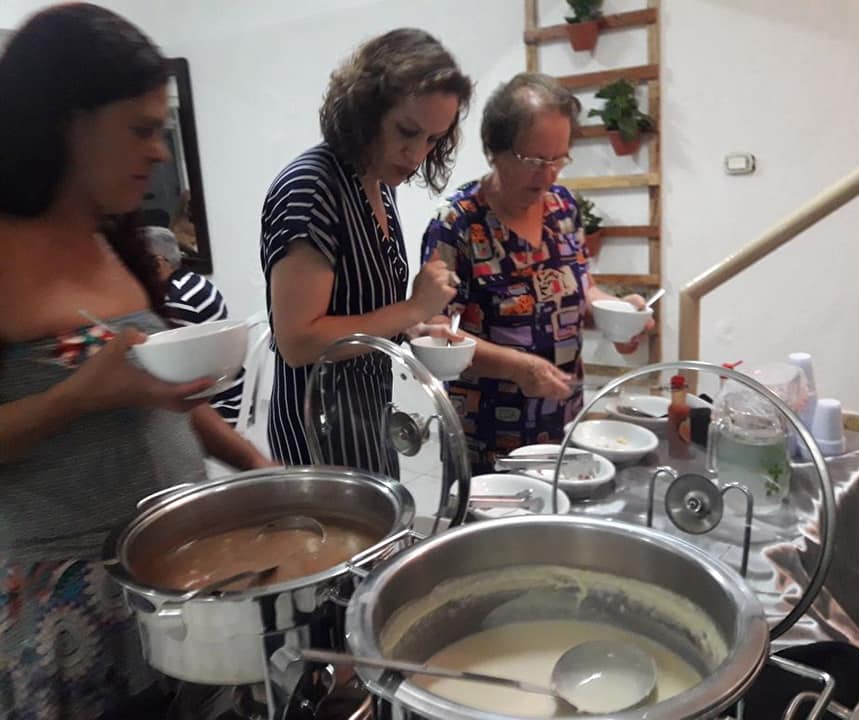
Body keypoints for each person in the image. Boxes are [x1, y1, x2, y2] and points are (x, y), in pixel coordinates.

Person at [0, 6, 270, 718]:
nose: (158, 152)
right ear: (68, 121)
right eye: (141, 129)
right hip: (72, 601)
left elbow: (157, 393)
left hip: (181, 570)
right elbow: (104, 390)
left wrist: (257, 469)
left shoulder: (114, 241)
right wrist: (77, 396)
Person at [260, 28, 471, 473]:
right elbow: (298, 341)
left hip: (366, 416)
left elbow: (361, 310)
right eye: (407, 132)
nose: (416, 154)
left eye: (433, 139)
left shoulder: (375, 181)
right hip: (317, 429)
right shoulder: (311, 189)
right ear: (365, 110)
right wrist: (413, 308)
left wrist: (416, 326)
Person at [421, 72, 654, 473]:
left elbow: (579, 289)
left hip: (563, 421)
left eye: (558, 159)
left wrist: (618, 313)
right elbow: (435, 334)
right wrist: (517, 367)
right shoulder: (457, 224)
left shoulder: (563, 207)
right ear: (493, 149)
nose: (548, 174)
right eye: (533, 161)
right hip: (486, 435)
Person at [145, 226, 244, 426]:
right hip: (234, 391)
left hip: (216, 406)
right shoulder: (195, 281)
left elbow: (170, 374)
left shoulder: (175, 301)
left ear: (158, 264)